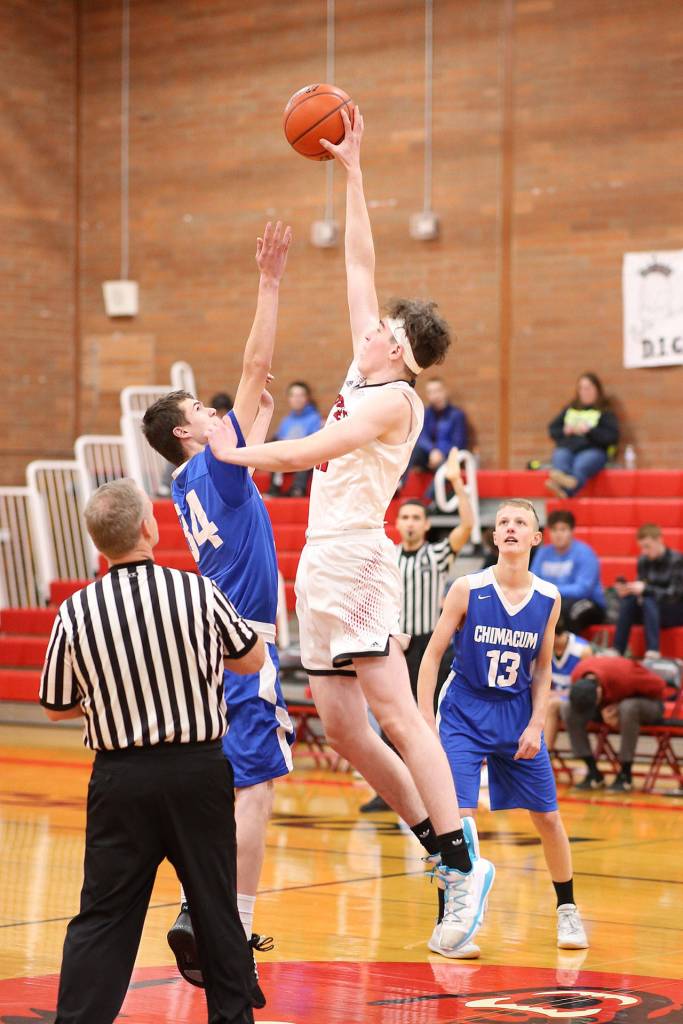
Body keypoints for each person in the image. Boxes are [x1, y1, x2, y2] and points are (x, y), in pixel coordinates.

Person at [204, 104, 495, 958]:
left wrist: (239, 454)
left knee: (399, 714)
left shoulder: (394, 400)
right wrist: (355, 171)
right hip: (320, 560)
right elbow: (361, 267)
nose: (369, 329)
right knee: (338, 725)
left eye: (386, 332)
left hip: (361, 558)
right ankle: (437, 848)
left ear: (402, 356)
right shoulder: (363, 365)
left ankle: (461, 860)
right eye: (375, 327)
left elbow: (320, 445)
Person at [39, 479, 264, 1024]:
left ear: (98, 545)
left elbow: (54, 705)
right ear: (149, 527)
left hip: (121, 778)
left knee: (105, 914)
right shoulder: (197, 591)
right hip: (197, 772)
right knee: (215, 908)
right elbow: (251, 660)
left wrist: (109, 696)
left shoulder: (75, 610)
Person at [141, 221, 294, 1003]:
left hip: (210, 641)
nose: (215, 410)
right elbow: (256, 367)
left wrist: (253, 419)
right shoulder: (214, 468)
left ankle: (202, 910)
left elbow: (249, 441)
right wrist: (268, 284)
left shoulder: (186, 483)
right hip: (245, 646)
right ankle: (227, 924)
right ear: (184, 433)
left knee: (227, 784)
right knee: (256, 788)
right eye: (201, 408)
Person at [418, 499, 589, 955]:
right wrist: (421, 721)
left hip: (516, 717)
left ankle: (567, 910)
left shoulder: (549, 598)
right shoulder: (467, 588)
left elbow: (543, 670)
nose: (510, 528)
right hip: (465, 712)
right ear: (494, 538)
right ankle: (448, 924)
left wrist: (537, 723)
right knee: (457, 821)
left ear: (536, 538)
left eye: (521, 523)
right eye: (503, 523)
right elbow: (433, 655)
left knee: (549, 818)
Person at [361, 447, 474, 813]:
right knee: (392, 720)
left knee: (432, 719)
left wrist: (456, 483)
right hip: (395, 645)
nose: (410, 522)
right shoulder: (386, 555)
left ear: (426, 525)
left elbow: (468, 526)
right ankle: (389, 792)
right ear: (399, 523)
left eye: (416, 518)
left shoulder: (437, 555)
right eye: (405, 516)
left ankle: (443, 792)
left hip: (431, 649)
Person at [566, 655, 667, 791]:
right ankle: (593, 772)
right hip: (608, 706)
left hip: (649, 705)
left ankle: (625, 773)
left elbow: (660, 686)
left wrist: (618, 705)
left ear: (599, 691)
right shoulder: (576, 675)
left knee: (628, 707)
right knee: (568, 708)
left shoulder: (624, 676)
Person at [612, 523, 683, 658]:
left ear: (659, 540)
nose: (644, 551)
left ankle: (653, 650)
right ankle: (617, 649)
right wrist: (628, 590)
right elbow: (641, 589)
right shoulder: (643, 560)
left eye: (647, 547)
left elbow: (676, 594)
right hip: (650, 611)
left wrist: (646, 590)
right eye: (642, 547)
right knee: (629, 600)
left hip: (674, 611)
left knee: (649, 598)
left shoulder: (677, 560)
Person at [546, 372, 619, 498]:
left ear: (597, 390)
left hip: (593, 448)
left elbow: (612, 436)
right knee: (560, 457)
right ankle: (566, 485)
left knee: (582, 464)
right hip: (568, 447)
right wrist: (564, 431)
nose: (585, 392)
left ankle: (566, 487)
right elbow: (552, 429)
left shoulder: (604, 411)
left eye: (588, 388)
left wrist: (590, 431)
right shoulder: (570, 409)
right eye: (581, 388)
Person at [532, 509, 606, 632]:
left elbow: (583, 590)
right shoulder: (543, 553)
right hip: (554, 600)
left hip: (590, 603)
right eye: (554, 530)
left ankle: (571, 649)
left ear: (571, 531)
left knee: (567, 608)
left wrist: (551, 590)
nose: (558, 534)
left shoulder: (584, 553)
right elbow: (532, 581)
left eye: (563, 529)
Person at [402, 378, 468, 497]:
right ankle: (399, 484)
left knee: (446, 465)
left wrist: (440, 453)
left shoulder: (456, 415)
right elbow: (420, 436)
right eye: (431, 392)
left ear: (445, 391)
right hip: (428, 457)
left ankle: (427, 500)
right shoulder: (425, 413)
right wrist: (432, 451)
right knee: (414, 448)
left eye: (437, 391)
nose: (435, 395)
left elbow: (459, 442)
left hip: (446, 458)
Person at [545, 614, 593, 753]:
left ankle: (544, 755)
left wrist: (555, 694)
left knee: (551, 704)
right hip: (557, 696)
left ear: (554, 634)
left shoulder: (582, 650)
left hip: (578, 699)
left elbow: (586, 690)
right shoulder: (544, 648)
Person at [268, 381, 322, 497]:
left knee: (304, 454)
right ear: (289, 399)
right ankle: (274, 488)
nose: (297, 399)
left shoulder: (314, 418)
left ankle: (298, 489)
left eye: (300, 395)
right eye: (293, 395)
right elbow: (279, 440)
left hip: (303, 456)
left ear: (306, 398)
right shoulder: (286, 420)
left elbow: (313, 441)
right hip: (287, 455)